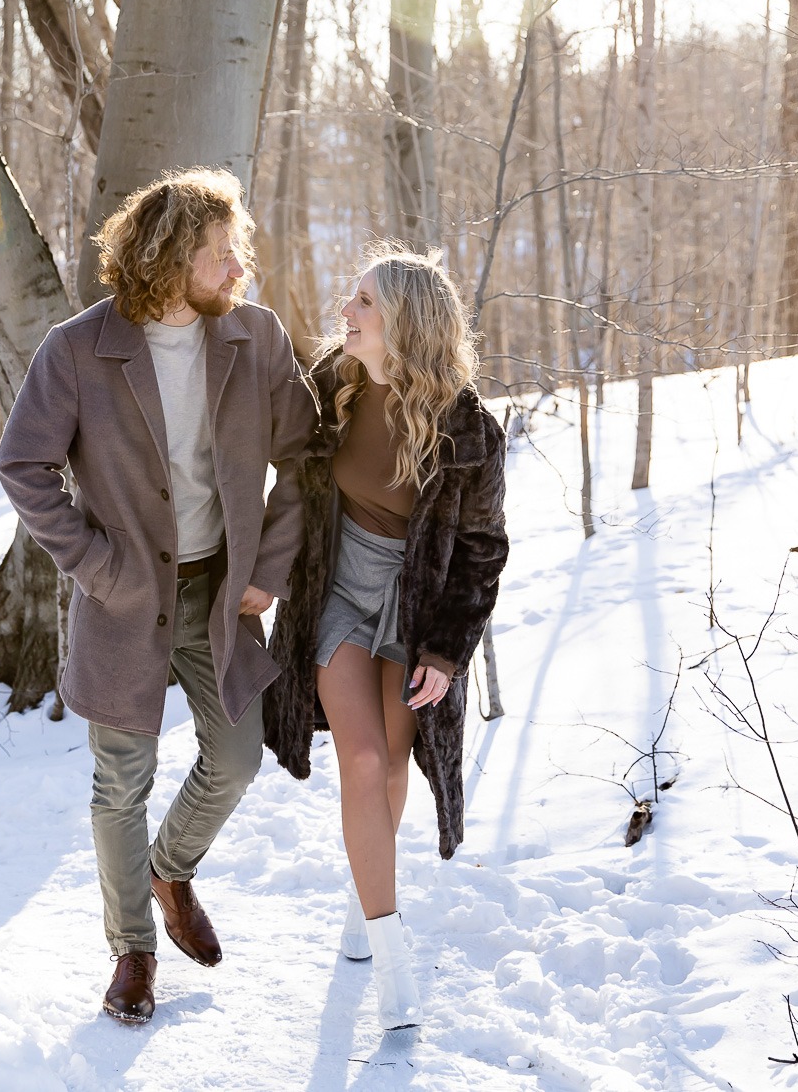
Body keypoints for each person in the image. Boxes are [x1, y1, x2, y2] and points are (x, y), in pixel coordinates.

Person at [0, 169, 316, 1025]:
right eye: (221, 255)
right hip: (124, 599)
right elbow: (23, 466)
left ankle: (170, 870)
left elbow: (305, 458)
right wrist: (97, 565)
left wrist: (269, 569)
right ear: (172, 258)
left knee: (238, 756)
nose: (238, 268)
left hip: (221, 596)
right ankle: (132, 950)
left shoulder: (257, 336)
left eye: (237, 252)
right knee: (119, 785)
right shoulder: (76, 349)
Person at [262, 246, 509, 1030]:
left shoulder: (469, 430)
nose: (348, 313)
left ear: (402, 321)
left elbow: (482, 549)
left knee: (394, 763)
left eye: (363, 303)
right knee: (361, 756)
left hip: (415, 605)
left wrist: (445, 652)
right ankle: (392, 958)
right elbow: (276, 456)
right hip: (336, 590)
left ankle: (367, 896)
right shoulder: (333, 385)